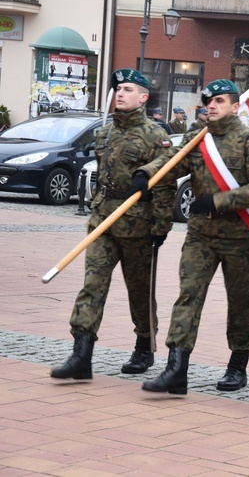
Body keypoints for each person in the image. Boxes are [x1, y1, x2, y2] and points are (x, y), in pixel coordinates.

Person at [138, 79, 249, 395]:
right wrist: (145, 174)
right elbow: (171, 163)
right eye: (208, 101)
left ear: (235, 106)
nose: (211, 106)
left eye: (220, 101)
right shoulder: (197, 137)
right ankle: (176, 369)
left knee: (239, 303)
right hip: (201, 235)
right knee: (189, 295)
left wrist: (217, 201)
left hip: (238, 237)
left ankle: (237, 365)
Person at [50, 68, 175, 381]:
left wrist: (160, 227)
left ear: (143, 97)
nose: (120, 93)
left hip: (137, 225)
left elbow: (165, 184)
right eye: (118, 88)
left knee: (139, 291)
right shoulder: (104, 132)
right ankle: (81, 354)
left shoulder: (155, 135)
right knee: (92, 285)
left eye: (129, 89)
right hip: (103, 220)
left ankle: (144, 345)